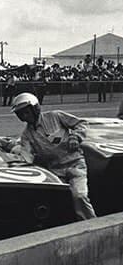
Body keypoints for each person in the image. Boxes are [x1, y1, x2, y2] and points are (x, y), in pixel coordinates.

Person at [10, 92, 95, 220]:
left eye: (26, 112)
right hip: (55, 171)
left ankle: (93, 225)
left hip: (75, 164)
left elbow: (82, 123)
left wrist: (75, 136)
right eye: (21, 114)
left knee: (80, 196)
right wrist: (15, 161)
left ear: (35, 108)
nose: (24, 116)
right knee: (52, 200)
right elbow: (26, 157)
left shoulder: (55, 116)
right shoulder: (26, 135)